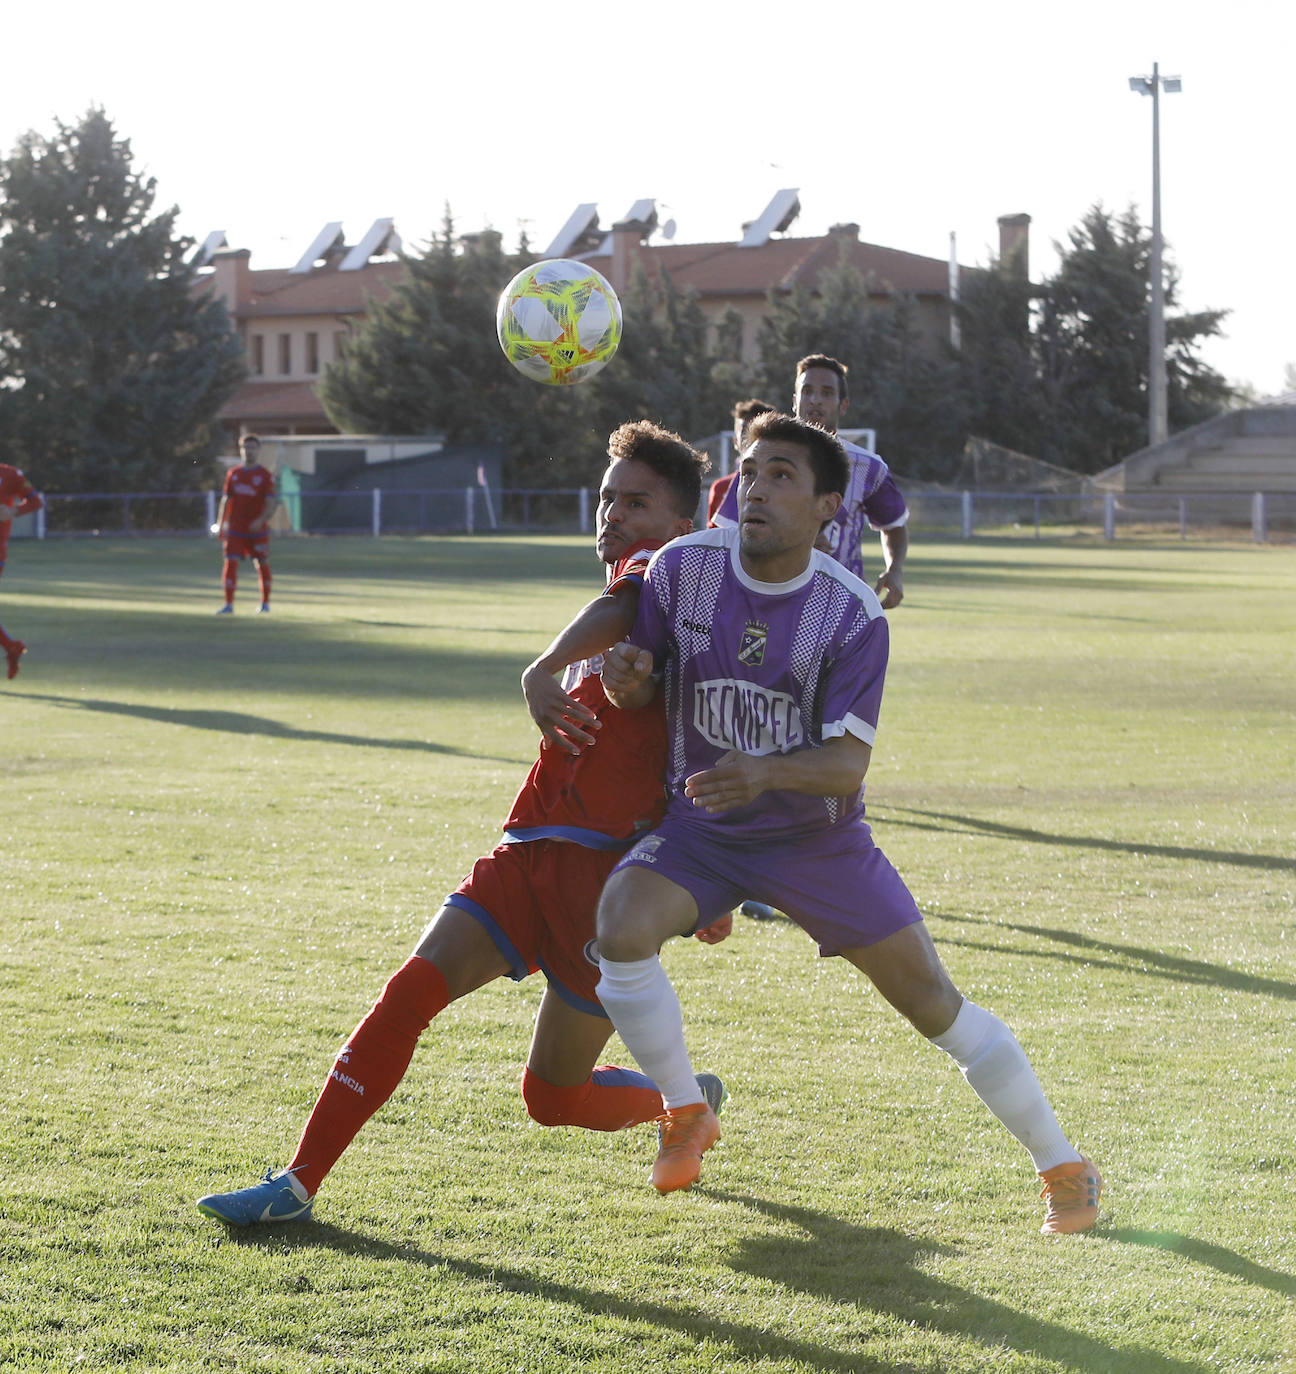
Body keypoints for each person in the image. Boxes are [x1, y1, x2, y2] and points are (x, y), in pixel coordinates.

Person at [196, 420, 728, 1227]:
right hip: (528, 850)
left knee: (552, 1099)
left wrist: (544, 669)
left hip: (605, 888)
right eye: (606, 498)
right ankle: (295, 1186)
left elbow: (660, 672)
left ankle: (679, 1100)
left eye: (636, 502)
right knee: (408, 993)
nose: (613, 514)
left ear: (679, 524)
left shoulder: (662, 575)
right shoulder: (630, 606)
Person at [593, 411, 1103, 1234]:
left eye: (782, 476)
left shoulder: (852, 612)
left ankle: (1065, 1168)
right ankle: (685, 1110)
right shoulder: (682, 569)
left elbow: (845, 766)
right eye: (750, 472)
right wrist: (628, 681)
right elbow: (643, 687)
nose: (757, 489)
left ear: (829, 506)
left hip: (816, 842)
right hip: (704, 830)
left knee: (933, 1002)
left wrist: (763, 771)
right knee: (620, 927)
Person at [712, 355, 909, 607]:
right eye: (807, 391)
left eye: (826, 393)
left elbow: (894, 524)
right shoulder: (759, 460)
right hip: (773, 599)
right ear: (795, 401)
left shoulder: (869, 467)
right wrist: (793, 541)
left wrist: (895, 569)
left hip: (841, 602)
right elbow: (727, 535)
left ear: (843, 405)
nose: (815, 400)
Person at [214, 434, 278, 613]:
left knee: (262, 563)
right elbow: (227, 500)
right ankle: (228, 605)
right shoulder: (234, 473)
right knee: (230, 562)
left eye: (252, 448)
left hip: (257, 530)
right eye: (245, 448)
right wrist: (221, 523)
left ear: (258, 451)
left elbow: (271, 503)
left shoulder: (265, 476)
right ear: (241, 450)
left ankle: (265, 604)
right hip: (236, 528)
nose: (248, 451)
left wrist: (261, 520)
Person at [0, 462, 45, 680]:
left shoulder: (10, 474)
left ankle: (11, 646)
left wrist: (13, 511)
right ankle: (11, 646)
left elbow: (36, 502)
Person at [707, 398, 776, 526]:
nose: (751, 438)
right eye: (745, 430)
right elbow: (714, 534)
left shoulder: (783, 486)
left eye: (758, 432)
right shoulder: (721, 488)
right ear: (735, 440)